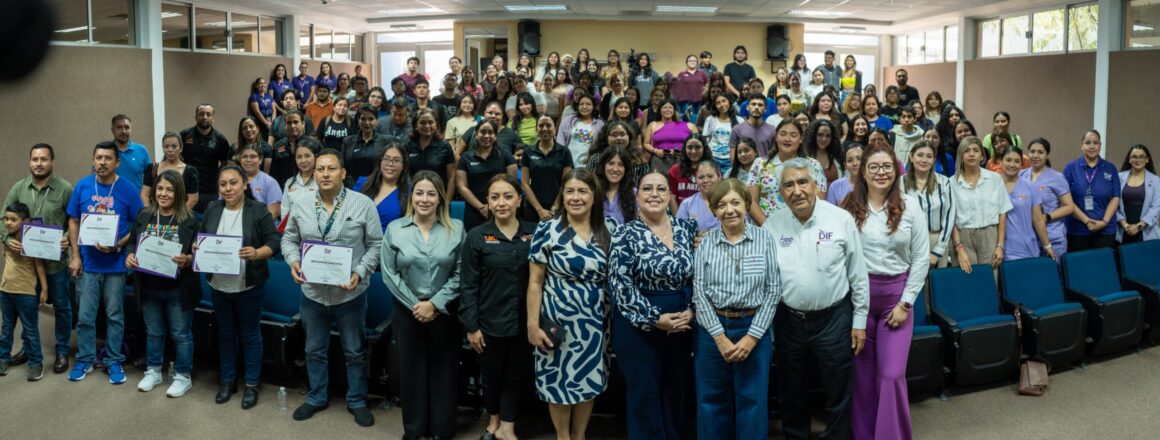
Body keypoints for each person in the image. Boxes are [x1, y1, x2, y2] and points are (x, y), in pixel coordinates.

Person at [766, 159, 869, 439]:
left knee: (838, 388)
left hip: (834, 319)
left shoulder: (840, 219)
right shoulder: (771, 226)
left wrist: (859, 321)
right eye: (788, 184)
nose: (797, 190)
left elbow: (858, 274)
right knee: (791, 389)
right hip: (788, 320)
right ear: (780, 192)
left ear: (815, 185)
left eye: (803, 182)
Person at [282, 149, 382, 427]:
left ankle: (357, 400)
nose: (325, 174)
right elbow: (289, 240)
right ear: (313, 174)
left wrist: (360, 273)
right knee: (314, 349)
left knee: (354, 350)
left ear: (343, 173)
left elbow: (376, 244)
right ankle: (316, 397)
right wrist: (293, 261)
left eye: (331, 169)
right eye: (320, 169)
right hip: (313, 294)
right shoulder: (301, 203)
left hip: (350, 293)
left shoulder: (363, 204)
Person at [839, 143, 929, 440]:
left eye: (887, 166)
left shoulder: (911, 205)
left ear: (896, 170)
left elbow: (921, 258)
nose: (881, 172)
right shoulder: (847, 207)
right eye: (874, 166)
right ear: (862, 171)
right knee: (862, 378)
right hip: (859, 302)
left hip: (896, 300)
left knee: (891, 376)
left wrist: (906, 303)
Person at [527, 168, 614, 440]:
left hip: (596, 321)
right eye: (570, 191)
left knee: (587, 381)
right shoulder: (547, 228)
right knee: (558, 383)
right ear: (562, 196)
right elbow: (535, 282)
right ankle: (563, 437)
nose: (576, 197)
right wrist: (532, 325)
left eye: (583, 191)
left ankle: (580, 435)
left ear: (594, 196)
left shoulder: (609, 229)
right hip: (556, 321)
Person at [608, 171, 696, 440]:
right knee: (644, 394)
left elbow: (698, 276)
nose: (655, 194)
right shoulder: (624, 233)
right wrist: (655, 318)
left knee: (674, 391)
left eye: (661, 189)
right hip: (638, 327)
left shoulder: (686, 229)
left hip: (681, 324)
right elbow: (620, 285)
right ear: (637, 195)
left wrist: (691, 309)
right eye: (648, 189)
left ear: (670, 195)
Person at [692, 178, 780, 439]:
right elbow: (699, 293)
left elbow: (773, 290)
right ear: (713, 210)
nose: (729, 210)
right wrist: (719, 337)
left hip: (753, 328)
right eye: (721, 205)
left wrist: (752, 338)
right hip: (712, 330)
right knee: (711, 400)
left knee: (752, 401)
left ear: (746, 204)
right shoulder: (705, 243)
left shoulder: (764, 239)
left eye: (735, 203)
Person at [380, 171, 464, 439]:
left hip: (445, 313)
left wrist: (435, 304)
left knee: (444, 371)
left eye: (431, 193)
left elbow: (461, 273)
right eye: (419, 193)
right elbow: (389, 273)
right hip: (407, 313)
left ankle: (442, 429)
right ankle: (414, 430)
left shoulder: (457, 229)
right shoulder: (395, 229)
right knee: (412, 373)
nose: (424, 199)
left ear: (440, 197)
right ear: (411, 196)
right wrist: (417, 304)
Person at [458, 175, 535, 440]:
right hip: (488, 321)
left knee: (515, 375)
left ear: (519, 200)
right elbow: (467, 285)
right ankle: (493, 421)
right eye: (494, 197)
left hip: (524, 321)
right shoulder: (477, 236)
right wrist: (472, 326)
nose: (501, 203)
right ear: (488, 203)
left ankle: (508, 425)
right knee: (491, 375)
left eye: (507, 196)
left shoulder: (534, 233)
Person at [200, 164, 280, 408]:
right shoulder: (213, 208)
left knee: (250, 335)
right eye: (223, 184)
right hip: (219, 285)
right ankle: (227, 380)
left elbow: (274, 243)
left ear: (244, 184)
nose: (228, 188)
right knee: (225, 335)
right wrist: (197, 247)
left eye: (233, 183)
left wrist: (256, 253)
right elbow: (202, 236)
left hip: (249, 286)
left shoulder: (258, 210)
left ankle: (252, 385)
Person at [66, 142, 144, 384]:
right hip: (88, 264)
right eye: (98, 157)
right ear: (93, 160)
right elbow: (73, 221)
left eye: (108, 158)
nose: (102, 162)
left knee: (115, 316)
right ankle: (86, 359)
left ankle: (113, 360)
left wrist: (119, 244)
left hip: (116, 266)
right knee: (86, 317)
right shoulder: (82, 185)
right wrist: (75, 256)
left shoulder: (128, 189)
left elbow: (139, 224)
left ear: (117, 162)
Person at [124, 170, 199, 396]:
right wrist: (129, 256)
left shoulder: (189, 220)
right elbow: (132, 243)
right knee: (154, 332)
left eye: (169, 189)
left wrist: (188, 259)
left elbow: (198, 254)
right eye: (159, 188)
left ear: (178, 193)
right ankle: (154, 370)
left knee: (180, 334)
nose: (163, 194)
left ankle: (183, 376)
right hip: (148, 286)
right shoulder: (144, 215)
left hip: (177, 288)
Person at [2, 144, 74, 374]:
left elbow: (75, 221)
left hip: (56, 264)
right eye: (35, 159)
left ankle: (62, 351)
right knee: (29, 309)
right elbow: (2, 219)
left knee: (62, 307)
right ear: (29, 162)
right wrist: (6, 239)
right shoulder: (19, 188)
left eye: (44, 159)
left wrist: (66, 239)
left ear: (52, 161)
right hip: (27, 268)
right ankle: (27, 349)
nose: (39, 163)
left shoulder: (65, 189)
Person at [747, 119, 829, 225]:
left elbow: (819, 201)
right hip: (768, 228)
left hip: (803, 226)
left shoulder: (813, 165)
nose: (787, 139)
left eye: (793, 135)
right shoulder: (760, 164)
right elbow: (751, 201)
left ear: (801, 139)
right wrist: (769, 227)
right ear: (776, 137)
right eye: (783, 134)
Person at [0, 202, 48, 380]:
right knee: (6, 328)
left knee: (30, 330)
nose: (8, 223)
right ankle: (3, 358)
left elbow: (39, 265)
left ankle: (36, 363)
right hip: (5, 291)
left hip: (26, 293)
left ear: (25, 221)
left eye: (13, 219)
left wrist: (44, 288)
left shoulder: (32, 239)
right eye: (6, 219)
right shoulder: (7, 238)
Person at [950, 137, 1012, 270]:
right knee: (968, 281)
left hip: (990, 235)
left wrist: (1000, 246)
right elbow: (950, 219)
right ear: (961, 156)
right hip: (963, 237)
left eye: (975, 150)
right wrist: (959, 248)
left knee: (990, 280)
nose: (971, 154)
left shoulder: (995, 179)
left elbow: (1002, 214)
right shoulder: (951, 183)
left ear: (982, 156)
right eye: (966, 151)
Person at [1063, 130, 1120, 251]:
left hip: (1105, 230)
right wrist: (1087, 221)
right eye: (1088, 142)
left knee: (1102, 266)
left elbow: (1115, 197)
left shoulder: (1110, 168)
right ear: (1081, 145)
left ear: (1100, 145)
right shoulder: (1070, 168)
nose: (1092, 146)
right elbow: (1065, 200)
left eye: (1095, 142)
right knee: (1079, 267)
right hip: (1077, 230)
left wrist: (1104, 222)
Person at [457, 119, 518, 232]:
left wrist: (493, 207)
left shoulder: (506, 155)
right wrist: (481, 208)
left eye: (490, 132)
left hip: (500, 208)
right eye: (483, 132)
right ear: (476, 134)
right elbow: (462, 187)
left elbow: (512, 185)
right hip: (474, 209)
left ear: (495, 136)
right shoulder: (466, 157)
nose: (486, 136)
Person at [903, 141, 956, 267]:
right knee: (914, 284)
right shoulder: (900, 183)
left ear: (934, 160)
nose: (924, 160)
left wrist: (937, 251)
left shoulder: (944, 182)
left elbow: (949, 216)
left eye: (929, 156)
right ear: (911, 157)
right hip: (909, 242)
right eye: (920, 155)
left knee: (937, 284)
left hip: (936, 239)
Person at [1019, 138, 1074, 258]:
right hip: (1029, 239)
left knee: (1054, 274)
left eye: (1040, 152)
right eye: (1032, 151)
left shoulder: (1057, 177)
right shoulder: (1021, 175)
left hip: (1053, 238)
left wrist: (1047, 217)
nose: (1035, 155)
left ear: (1047, 155)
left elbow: (1069, 207)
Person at [999, 147, 1054, 261]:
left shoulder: (1030, 186)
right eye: (1008, 160)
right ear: (1000, 161)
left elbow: (1038, 219)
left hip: (1026, 248)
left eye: (1017, 161)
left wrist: (1047, 246)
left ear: (1022, 164)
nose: (1012, 164)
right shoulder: (992, 185)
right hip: (999, 250)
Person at [521, 116, 574, 222]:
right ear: (536, 129)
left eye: (549, 125)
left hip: (558, 207)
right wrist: (539, 210)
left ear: (555, 128)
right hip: (533, 208)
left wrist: (555, 206)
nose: (545, 128)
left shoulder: (564, 152)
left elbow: (566, 182)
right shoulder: (527, 152)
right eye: (541, 126)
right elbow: (524, 184)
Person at [181, 104, 231, 212]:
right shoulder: (184, 135)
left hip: (210, 191)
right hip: (187, 189)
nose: (204, 117)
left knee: (208, 223)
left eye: (208, 114)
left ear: (213, 118)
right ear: (196, 117)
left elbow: (224, 164)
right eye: (201, 114)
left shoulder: (220, 139)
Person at [407, 108, 458, 198]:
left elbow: (451, 177)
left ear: (436, 124)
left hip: (439, 197)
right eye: (422, 122)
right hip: (414, 197)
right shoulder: (407, 147)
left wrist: (447, 201)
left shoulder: (445, 147)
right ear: (416, 125)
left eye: (430, 122)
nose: (427, 126)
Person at [142, 131, 199, 211]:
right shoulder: (152, 168)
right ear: (163, 148)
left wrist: (178, 216)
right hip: (156, 215)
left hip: (180, 217)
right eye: (166, 146)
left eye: (174, 146)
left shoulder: (190, 171)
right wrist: (149, 214)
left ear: (181, 148)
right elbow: (145, 195)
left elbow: (193, 199)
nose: (170, 150)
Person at [359, 143, 410, 231]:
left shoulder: (409, 192)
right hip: (358, 242)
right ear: (380, 162)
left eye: (396, 160)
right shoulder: (362, 183)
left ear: (403, 166)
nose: (390, 164)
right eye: (386, 159)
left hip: (389, 243)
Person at [1117, 144, 1160, 244]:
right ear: (1129, 159)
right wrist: (1124, 224)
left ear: (1147, 159)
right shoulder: (1118, 178)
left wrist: (1139, 226)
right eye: (1134, 156)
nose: (1138, 160)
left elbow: (1156, 207)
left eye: (1142, 156)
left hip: (1146, 232)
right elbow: (1113, 204)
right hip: (1122, 230)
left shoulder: (1156, 181)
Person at [271, 110, 324, 188]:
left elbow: (322, 169)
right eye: (289, 123)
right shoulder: (278, 146)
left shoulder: (315, 145)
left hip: (310, 189)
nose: (292, 126)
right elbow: (274, 173)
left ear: (303, 124)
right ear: (285, 125)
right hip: (285, 190)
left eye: (296, 122)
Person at [341, 107, 390, 188]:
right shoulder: (347, 141)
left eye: (371, 119)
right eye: (363, 119)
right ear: (358, 120)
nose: (367, 122)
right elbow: (343, 167)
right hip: (351, 187)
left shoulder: (385, 141)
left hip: (376, 186)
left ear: (376, 121)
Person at [645, 99, 698, 171]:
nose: (667, 110)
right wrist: (655, 150)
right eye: (665, 107)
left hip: (683, 159)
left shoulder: (689, 125)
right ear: (660, 110)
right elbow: (646, 143)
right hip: (659, 160)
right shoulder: (653, 125)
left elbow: (698, 143)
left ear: (674, 110)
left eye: (670, 107)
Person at [235, 145, 282, 221]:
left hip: (260, 227)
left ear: (260, 160)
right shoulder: (232, 181)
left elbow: (274, 212)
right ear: (240, 160)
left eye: (253, 157)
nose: (248, 160)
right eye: (244, 156)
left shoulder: (270, 182)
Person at [557, 94, 604, 166]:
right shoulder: (568, 120)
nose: (584, 107)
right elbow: (560, 142)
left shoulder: (600, 124)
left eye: (588, 104)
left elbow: (601, 145)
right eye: (581, 104)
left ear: (593, 107)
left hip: (589, 164)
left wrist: (592, 158)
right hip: (568, 162)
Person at [107, 114, 151, 192]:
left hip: (136, 201)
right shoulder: (105, 151)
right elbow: (96, 178)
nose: (123, 131)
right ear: (112, 130)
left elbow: (150, 178)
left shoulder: (142, 150)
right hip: (112, 202)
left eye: (127, 127)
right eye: (119, 127)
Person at [595, 147, 638, 225]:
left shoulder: (635, 193)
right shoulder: (594, 191)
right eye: (611, 163)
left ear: (626, 169)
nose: (615, 169)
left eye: (621, 165)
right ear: (603, 166)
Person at [280, 141, 319, 227]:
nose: (303, 161)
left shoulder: (322, 181)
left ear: (315, 157)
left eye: (307, 156)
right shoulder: (289, 182)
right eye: (299, 157)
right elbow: (285, 211)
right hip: (293, 231)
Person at [805, 119, 844, 186]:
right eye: (820, 134)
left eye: (828, 136)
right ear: (814, 135)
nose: (824, 139)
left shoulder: (838, 157)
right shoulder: (804, 157)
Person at [673, 54, 710, 122]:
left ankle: (696, 132)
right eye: (690, 60)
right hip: (686, 101)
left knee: (698, 119)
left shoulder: (702, 73)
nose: (692, 62)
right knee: (686, 119)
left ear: (697, 62)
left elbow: (707, 84)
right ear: (686, 62)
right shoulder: (682, 74)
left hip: (699, 100)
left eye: (694, 60)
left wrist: (704, 92)